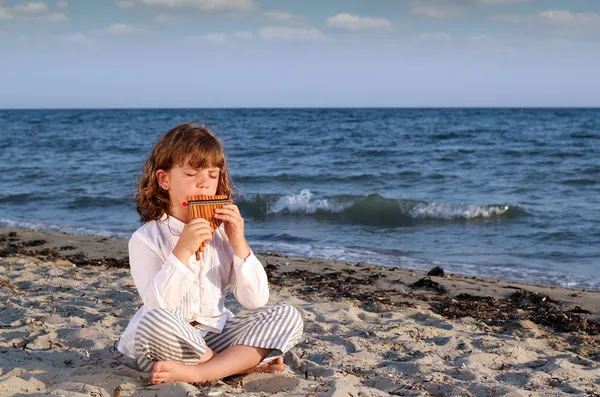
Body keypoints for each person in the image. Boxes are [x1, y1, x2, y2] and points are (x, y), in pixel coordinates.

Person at [117, 121, 304, 384]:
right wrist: (182, 251)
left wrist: (239, 242)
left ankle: (204, 371)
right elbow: (158, 307)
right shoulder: (145, 239)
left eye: (213, 175)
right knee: (153, 319)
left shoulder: (223, 234)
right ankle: (233, 365)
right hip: (169, 338)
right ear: (164, 179)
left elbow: (255, 301)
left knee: (287, 315)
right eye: (192, 175)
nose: (204, 184)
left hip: (216, 333)